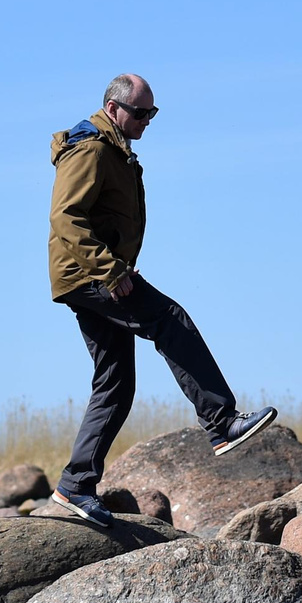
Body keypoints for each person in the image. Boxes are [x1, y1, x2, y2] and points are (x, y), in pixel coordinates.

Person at [45, 72, 277, 527]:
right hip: (89, 273)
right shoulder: (91, 147)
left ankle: (75, 486)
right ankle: (221, 421)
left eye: (153, 112)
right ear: (114, 108)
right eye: (140, 112)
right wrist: (111, 272)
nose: (148, 120)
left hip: (96, 273)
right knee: (170, 319)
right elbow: (66, 216)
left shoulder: (116, 150)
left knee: (115, 383)